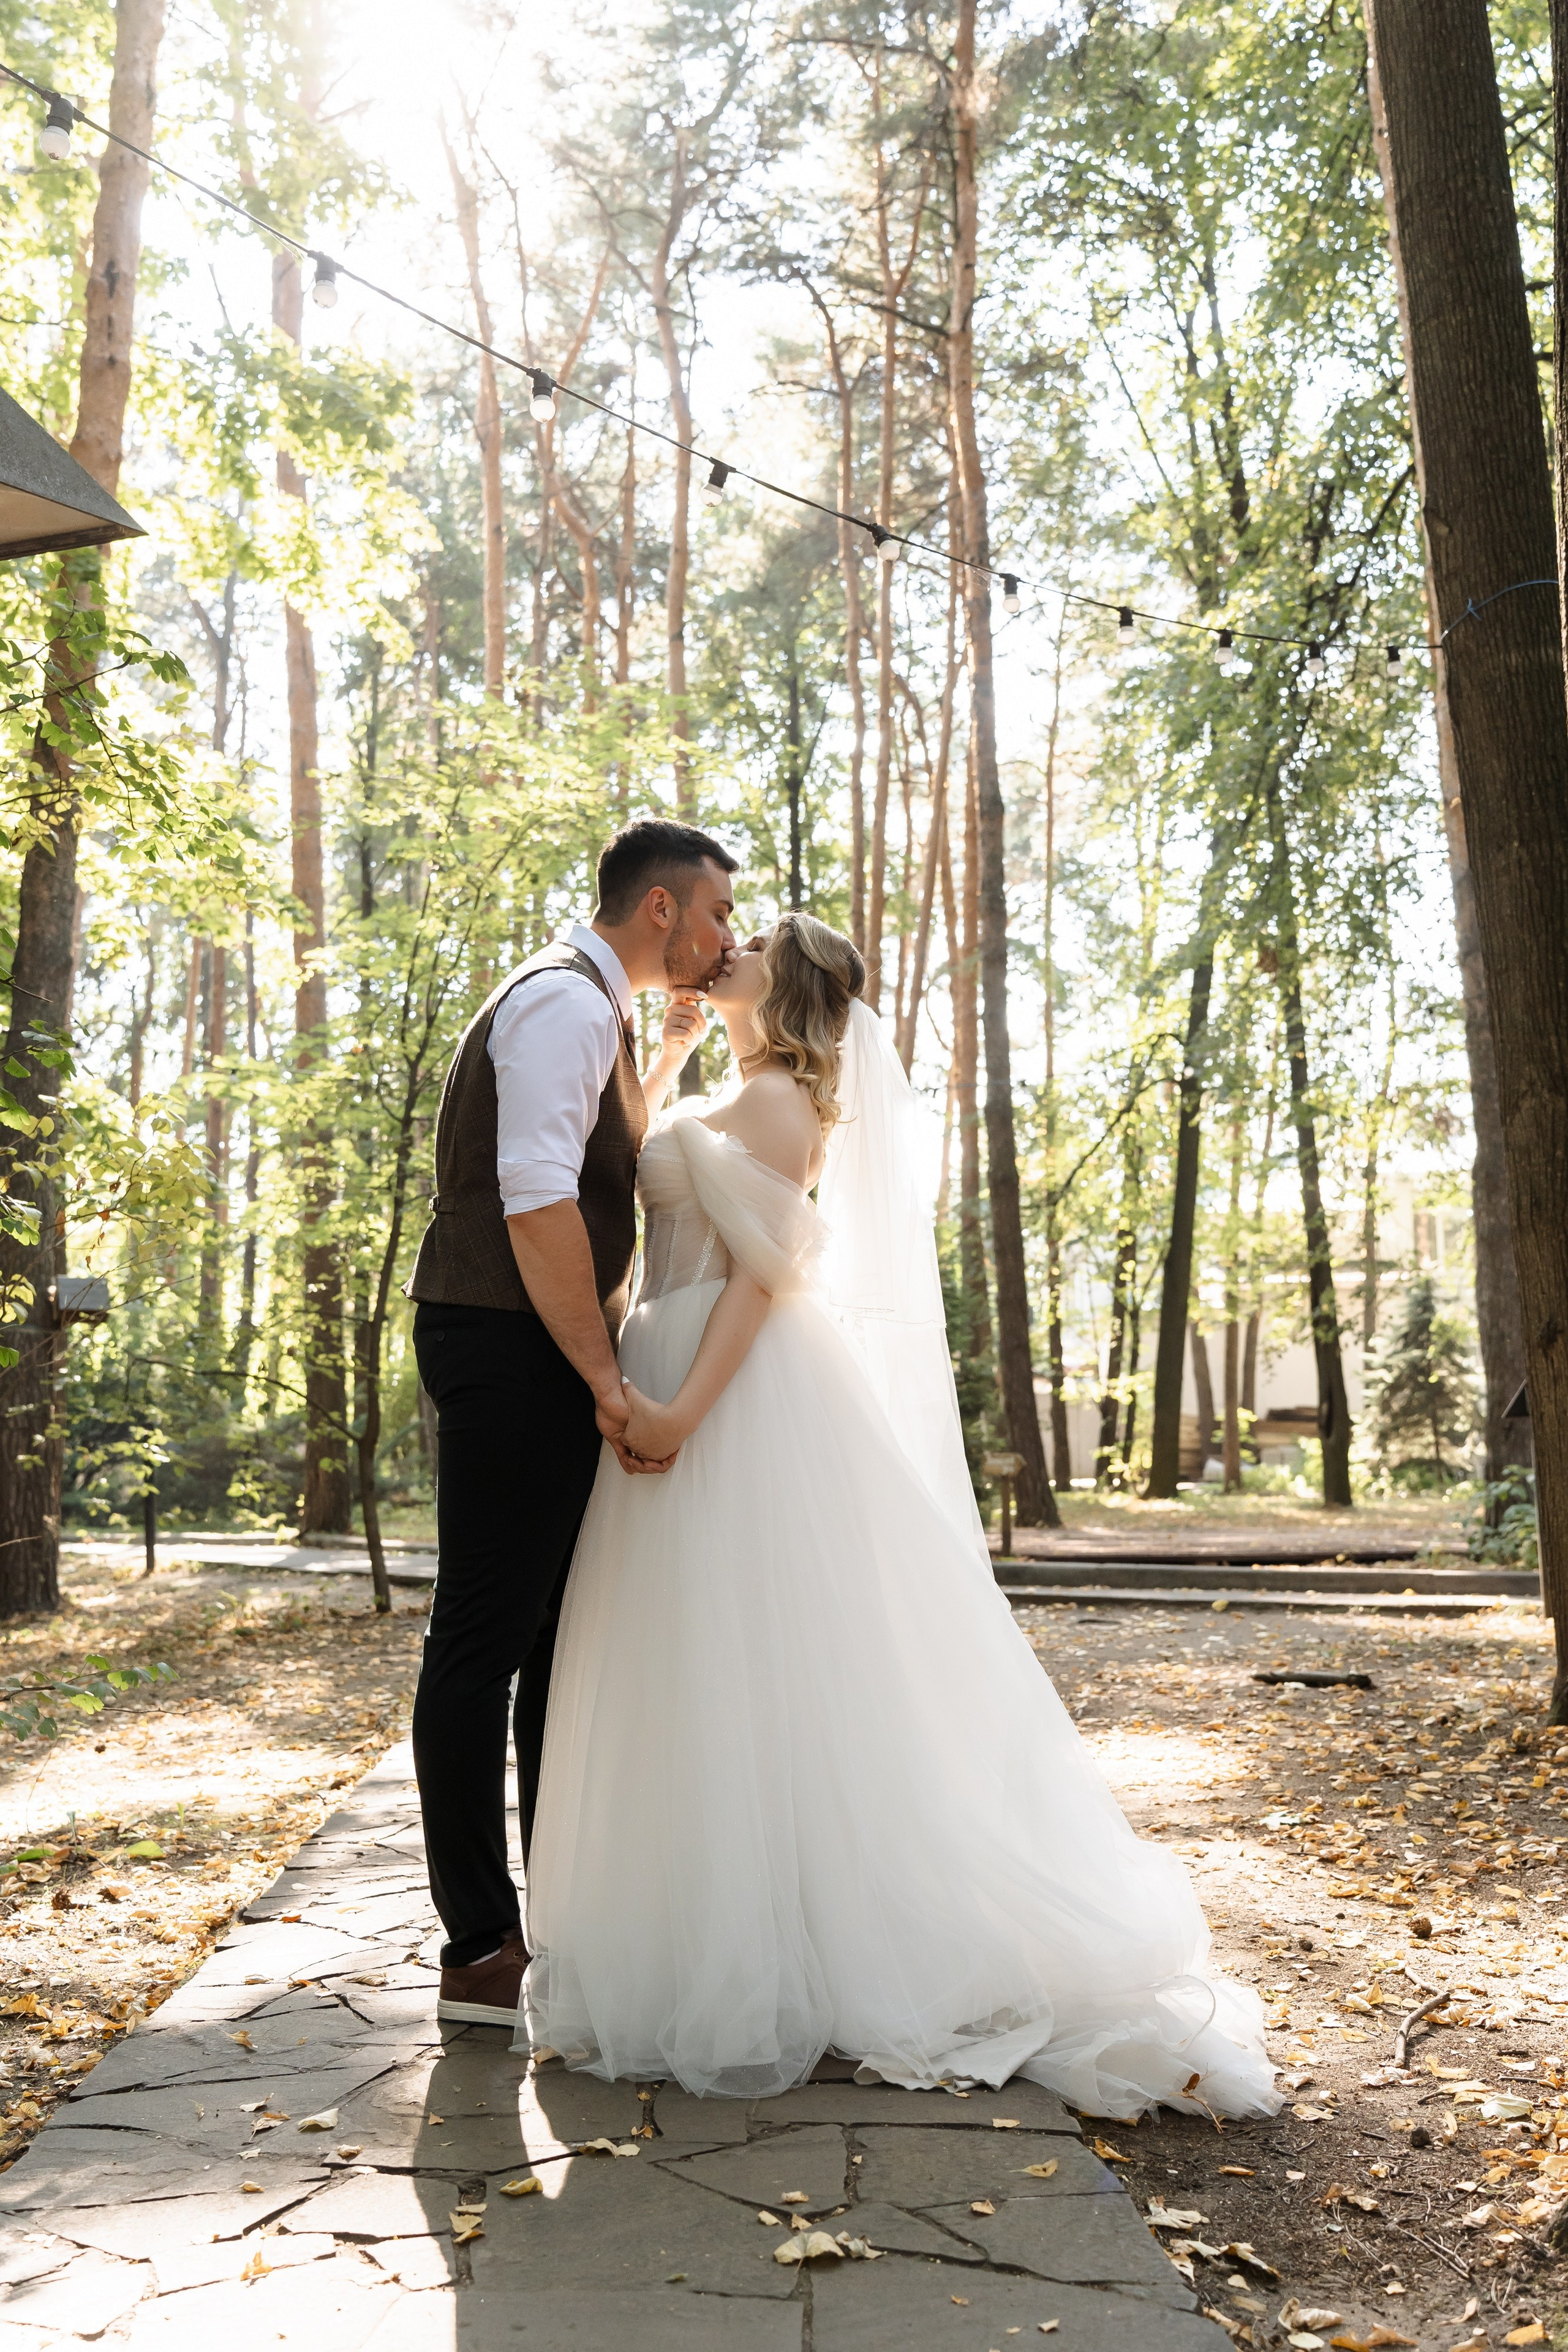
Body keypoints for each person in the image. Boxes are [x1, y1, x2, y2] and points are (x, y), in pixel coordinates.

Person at [519, 913, 1280, 2120]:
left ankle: (783, 1954)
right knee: (691, 1669)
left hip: (727, 1393)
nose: (731, 947)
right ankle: (701, 1928)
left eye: (754, 942)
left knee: (746, 1663)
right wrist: (663, 1057)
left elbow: (758, 1293)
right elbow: (647, 1183)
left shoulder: (776, 1106)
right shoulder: (741, 1086)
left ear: (793, 990)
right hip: (667, 1363)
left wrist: (679, 1418)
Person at [406, 818, 737, 2027]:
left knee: (547, 1631)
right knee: (483, 1634)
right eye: (713, 916)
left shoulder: (593, 1011)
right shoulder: (560, 1003)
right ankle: (479, 1945)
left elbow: (596, 1161)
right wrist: (604, 1381)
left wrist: (663, 1067)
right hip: (509, 1343)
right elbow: (538, 1198)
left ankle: (554, 1901)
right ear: (660, 909)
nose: (722, 939)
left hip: (521, 1339)